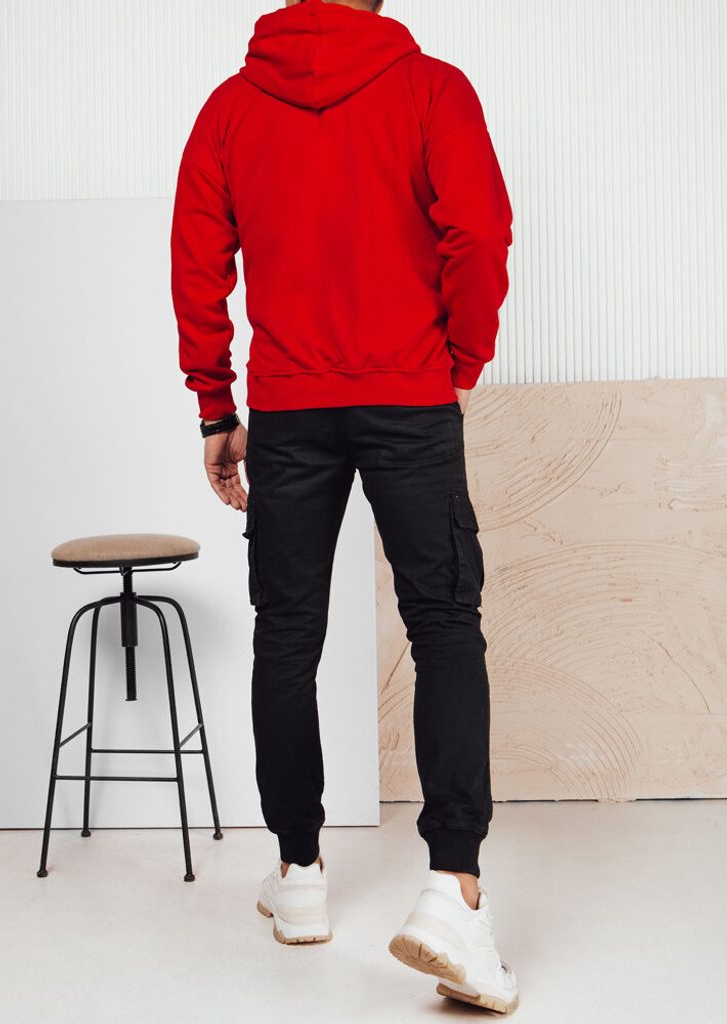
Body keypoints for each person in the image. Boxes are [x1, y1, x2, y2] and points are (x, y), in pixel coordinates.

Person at [170, 0, 516, 1012]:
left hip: (289, 407)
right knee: (444, 623)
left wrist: (216, 406)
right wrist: (459, 360)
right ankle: (453, 890)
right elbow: (479, 231)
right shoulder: (432, 91)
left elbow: (197, 261)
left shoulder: (231, 109)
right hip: (409, 394)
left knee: (287, 633)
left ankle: (300, 874)